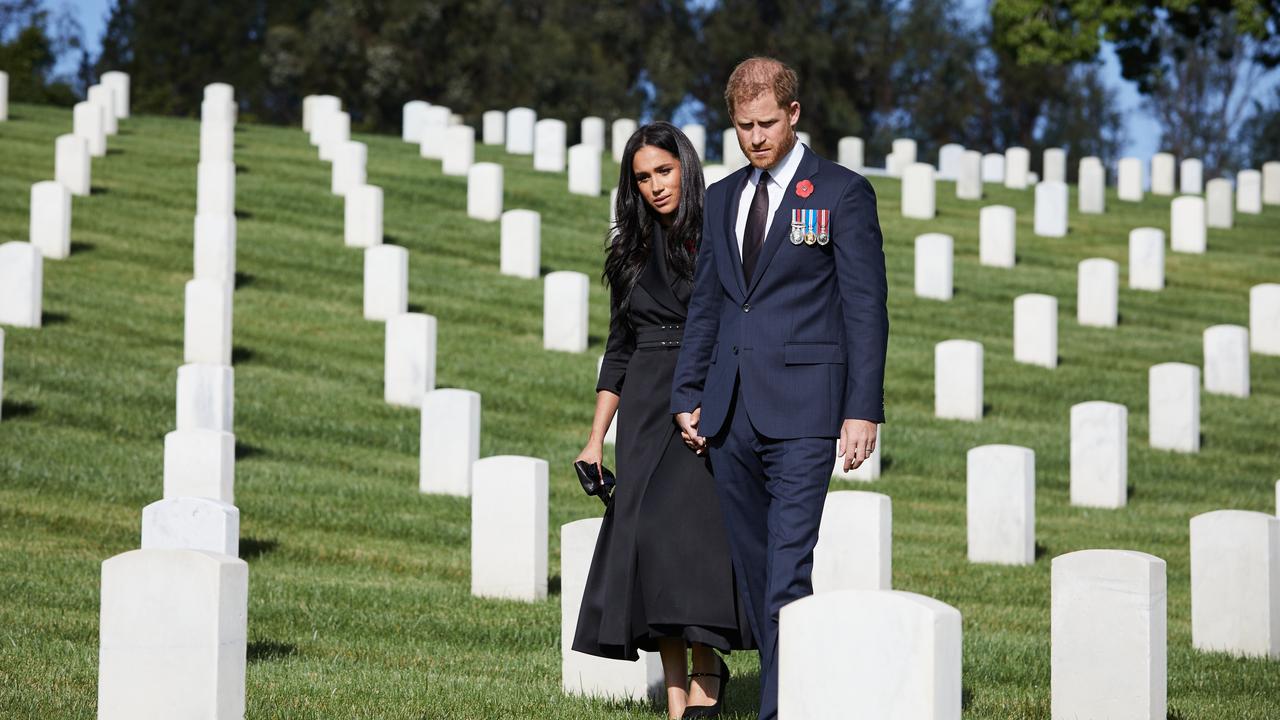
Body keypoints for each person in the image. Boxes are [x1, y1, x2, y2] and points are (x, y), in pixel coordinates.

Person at [670, 57, 889, 720]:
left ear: (794, 115)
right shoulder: (727, 198)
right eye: (743, 127)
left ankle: (780, 711)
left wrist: (861, 410)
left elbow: (864, 305)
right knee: (757, 576)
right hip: (730, 414)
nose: (756, 137)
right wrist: (689, 390)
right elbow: (708, 301)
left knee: (787, 575)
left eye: (767, 123)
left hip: (805, 415)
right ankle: (804, 690)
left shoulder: (841, 194)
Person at [574, 121, 754, 720]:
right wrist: (596, 438)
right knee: (651, 546)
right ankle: (679, 704)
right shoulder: (627, 251)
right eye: (643, 177)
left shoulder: (717, 233)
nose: (655, 185)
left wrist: (711, 394)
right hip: (646, 406)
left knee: (691, 543)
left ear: (686, 168)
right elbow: (618, 349)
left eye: (664, 170)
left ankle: (708, 670)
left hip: (701, 391)